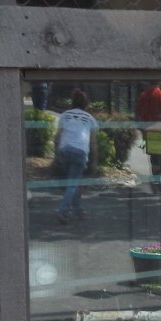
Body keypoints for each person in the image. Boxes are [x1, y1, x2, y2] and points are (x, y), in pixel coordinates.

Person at [55, 89, 99, 222]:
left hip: (64, 150)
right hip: (80, 151)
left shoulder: (64, 115)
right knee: (73, 184)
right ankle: (63, 211)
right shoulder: (90, 118)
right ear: (86, 104)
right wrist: (94, 160)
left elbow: (58, 136)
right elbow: (93, 142)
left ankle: (78, 211)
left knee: (72, 182)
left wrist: (57, 154)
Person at [134, 81, 161, 190]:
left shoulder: (142, 96)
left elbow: (138, 116)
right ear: (159, 82)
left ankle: (156, 181)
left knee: (154, 158)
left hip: (148, 133)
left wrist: (143, 133)